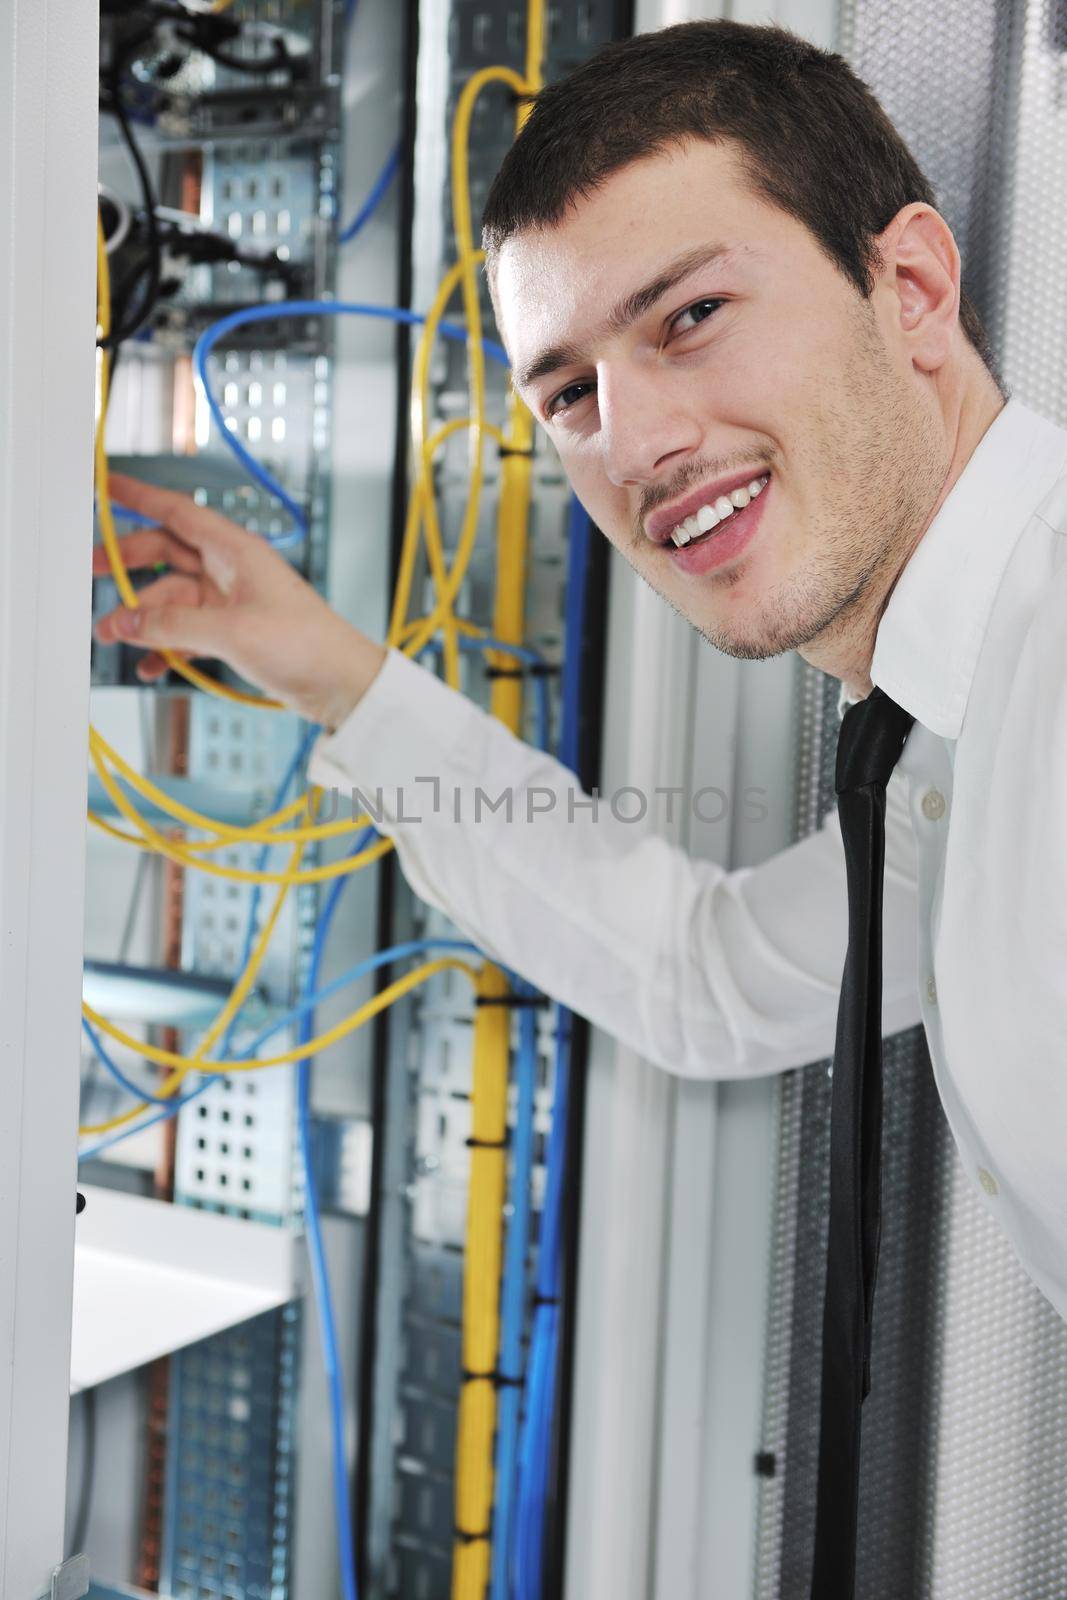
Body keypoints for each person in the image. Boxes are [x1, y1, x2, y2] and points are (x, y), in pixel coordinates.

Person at [93, 20, 1067, 1322]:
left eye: (693, 316)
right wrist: (328, 672)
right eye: (568, 397)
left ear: (911, 291)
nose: (639, 443)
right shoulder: (943, 742)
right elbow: (703, 976)